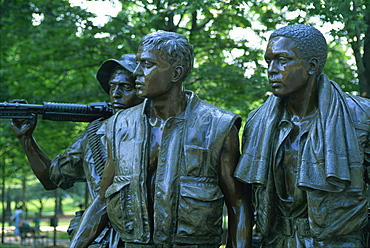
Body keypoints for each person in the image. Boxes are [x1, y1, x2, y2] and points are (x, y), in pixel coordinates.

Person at [70, 30, 252, 248]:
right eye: (138, 63)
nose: (137, 72)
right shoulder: (119, 125)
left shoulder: (218, 127)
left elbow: (238, 205)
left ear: (176, 73)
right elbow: (101, 201)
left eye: (147, 64)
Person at [234, 24, 370, 247]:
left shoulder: (361, 116)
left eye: (282, 60)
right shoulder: (258, 121)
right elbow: (247, 197)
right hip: (275, 241)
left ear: (312, 66)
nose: (272, 69)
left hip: (337, 242)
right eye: (269, 61)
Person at [10, 54, 143, 247]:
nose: (115, 94)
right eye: (112, 86)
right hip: (100, 240)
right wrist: (26, 140)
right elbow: (51, 178)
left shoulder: (163, 132)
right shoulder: (93, 135)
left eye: (126, 87)